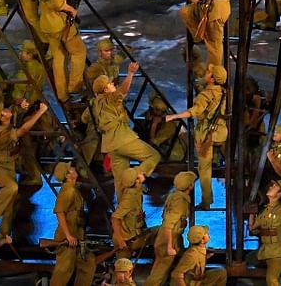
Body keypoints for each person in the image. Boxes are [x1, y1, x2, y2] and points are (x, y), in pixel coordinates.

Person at [91, 61, 161, 199]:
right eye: (110, 84)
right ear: (105, 90)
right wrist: (130, 73)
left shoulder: (96, 103)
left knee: (119, 181)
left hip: (110, 145)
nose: (113, 85)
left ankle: (123, 210)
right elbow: (122, 91)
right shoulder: (109, 99)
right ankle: (137, 176)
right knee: (153, 156)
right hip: (122, 139)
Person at [165, 64, 226, 209]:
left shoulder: (205, 95)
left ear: (211, 79)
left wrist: (174, 116)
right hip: (221, 132)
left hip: (206, 133)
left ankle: (206, 201)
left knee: (204, 169)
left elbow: (194, 111)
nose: (206, 73)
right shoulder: (224, 92)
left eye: (208, 72)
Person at [0, 101, 48, 234]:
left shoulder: (7, 123)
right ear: (2, 119)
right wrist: (40, 112)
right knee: (12, 187)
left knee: (10, 206)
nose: (6, 110)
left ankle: (2, 236)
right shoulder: (2, 133)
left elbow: (14, 110)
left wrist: (21, 104)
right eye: (3, 112)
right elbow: (24, 130)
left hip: (9, 167)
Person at [146, 171, 196, 286]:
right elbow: (169, 225)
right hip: (168, 238)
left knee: (159, 270)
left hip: (168, 237)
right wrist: (169, 247)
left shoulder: (174, 195)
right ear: (190, 186)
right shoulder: (180, 202)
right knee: (159, 273)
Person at [49, 162, 95, 286]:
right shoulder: (68, 190)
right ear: (68, 175)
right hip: (68, 237)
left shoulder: (73, 189)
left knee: (88, 264)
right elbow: (59, 212)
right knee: (63, 271)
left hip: (77, 235)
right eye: (70, 169)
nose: (73, 168)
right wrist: (68, 235)